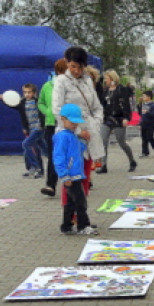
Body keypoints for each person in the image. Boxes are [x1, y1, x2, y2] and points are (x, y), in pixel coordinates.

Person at [52, 47, 104, 195]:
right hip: (70, 134)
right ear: (67, 64)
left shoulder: (88, 81)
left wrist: (96, 123)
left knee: (85, 176)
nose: (76, 70)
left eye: (80, 67)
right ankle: (70, 215)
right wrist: (78, 131)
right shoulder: (61, 81)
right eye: (73, 66)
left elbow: (97, 107)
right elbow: (57, 109)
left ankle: (81, 212)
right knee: (71, 177)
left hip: (90, 132)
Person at [53, 103, 97, 235]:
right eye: (72, 122)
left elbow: (75, 151)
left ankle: (67, 226)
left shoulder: (71, 134)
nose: (75, 125)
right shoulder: (62, 136)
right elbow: (59, 158)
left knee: (71, 203)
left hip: (76, 174)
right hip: (70, 175)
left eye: (76, 122)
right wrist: (64, 175)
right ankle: (83, 226)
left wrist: (83, 145)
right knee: (80, 202)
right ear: (63, 119)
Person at [0, 83, 45, 178]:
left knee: (26, 144)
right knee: (40, 148)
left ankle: (36, 168)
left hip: (39, 128)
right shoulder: (22, 103)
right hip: (30, 129)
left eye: (29, 92)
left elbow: (44, 113)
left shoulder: (38, 102)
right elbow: (13, 105)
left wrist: (43, 126)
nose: (27, 94)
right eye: (25, 92)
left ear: (34, 93)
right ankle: (37, 170)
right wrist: (3, 99)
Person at [96, 70, 137, 173]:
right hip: (107, 119)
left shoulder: (122, 90)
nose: (105, 80)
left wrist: (126, 118)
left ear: (113, 79)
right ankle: (104, 165)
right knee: (103, 141)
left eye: (107, 78)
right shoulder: (105, 91)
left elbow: (127, 106)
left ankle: (132, 161)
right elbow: (102, 104)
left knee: (121, 142)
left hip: (119, 119)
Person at [38, 58, 66, 196]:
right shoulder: (47, 86)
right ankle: (51, 185)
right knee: (53, 155)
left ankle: (80, 180)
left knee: (70, 153)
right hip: (51, 124)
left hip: (67, 124)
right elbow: (40, 103)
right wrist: (47, 111)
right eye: (61, 71)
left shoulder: (71, 86)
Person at [137, 91, 154, 158]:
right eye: (142, 96)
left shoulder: (153, 105)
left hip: (150, 125)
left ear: (149, 97)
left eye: (144, 96)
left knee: (150, 137)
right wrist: (140, 124)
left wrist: (148, 112)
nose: (143, 97)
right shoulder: (143, 104)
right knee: (144, 139)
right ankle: (145, 152)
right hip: (143, 124)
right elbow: (140, 114)